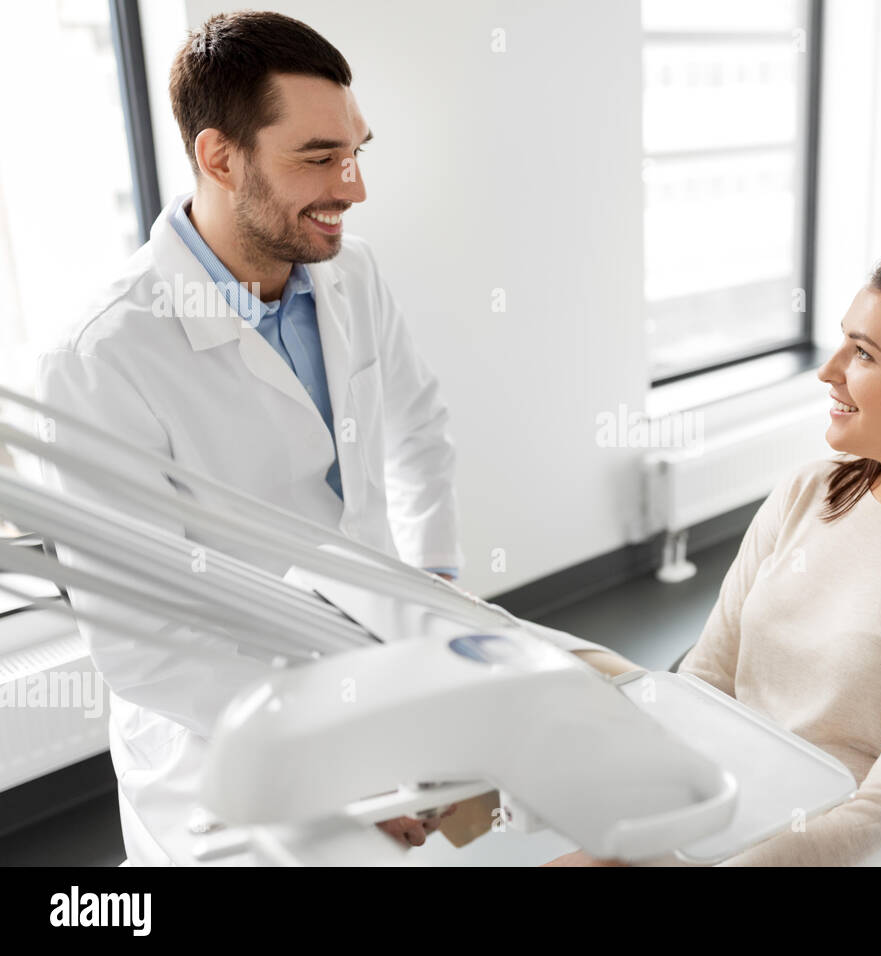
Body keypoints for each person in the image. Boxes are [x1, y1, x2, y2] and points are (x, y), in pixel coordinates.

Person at [36, 10, 615, 864]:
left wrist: (430, 598)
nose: (353, 187)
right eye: (317, 158)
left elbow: (420, 432)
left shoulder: (352, 274)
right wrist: (338, 757)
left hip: (380, 657)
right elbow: (144, 651)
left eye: (357, 152)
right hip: (223, 740)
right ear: (219, 156)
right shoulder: (102, 360)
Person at [544, 242, 881, 866]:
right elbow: (707, 682)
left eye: (863, 353)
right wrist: (628, 844)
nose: (829, 371)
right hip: (709, 825)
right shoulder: (811, 491)